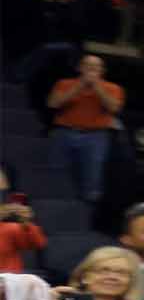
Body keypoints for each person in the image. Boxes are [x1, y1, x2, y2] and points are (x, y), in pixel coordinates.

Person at [46, 52, 123, 204]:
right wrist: (80, 85)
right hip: (64, 133)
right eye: (88, 66)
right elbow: (53, 104)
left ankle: (84, 213)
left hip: (96, 137)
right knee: (56, 173)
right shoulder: (64, 84)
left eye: (96, 67)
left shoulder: (113, 88)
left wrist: (96, 86)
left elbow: (113, 108)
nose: (92, 70)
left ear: (102, 71)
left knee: (91, 178)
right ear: (80, 68)